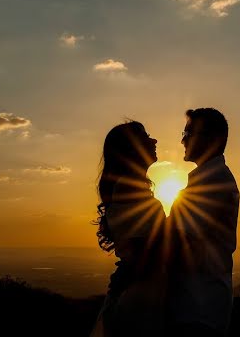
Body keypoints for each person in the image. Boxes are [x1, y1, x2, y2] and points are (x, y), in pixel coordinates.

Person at [167, 108, 240, 337]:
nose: (182, 140)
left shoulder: (213, 183)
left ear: (212, 139)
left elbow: (177, 241)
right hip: (196, 307)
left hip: (198, 312)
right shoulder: (205, 181)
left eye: (189, 133)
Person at [91, 121, 167, 337]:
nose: (154, 140)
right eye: (146, 137)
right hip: (137, 298)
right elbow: (144, 252)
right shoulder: (128, 188)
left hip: (140, 293)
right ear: (132, 149)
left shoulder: (132, 186)